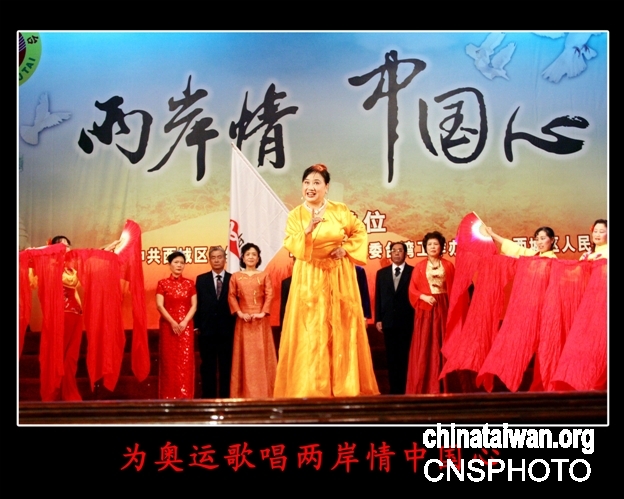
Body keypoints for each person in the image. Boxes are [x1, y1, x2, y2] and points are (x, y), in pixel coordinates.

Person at [274, 164, 379, 397]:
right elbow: (291, 243)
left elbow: (359, 232)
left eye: (316, 183)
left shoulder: (340, 210)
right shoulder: (296, 215)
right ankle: (310, 386)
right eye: (307, 183)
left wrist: (345, 249)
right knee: (311, 328)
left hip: (339, 274)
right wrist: (307, 231)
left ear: (326, 187)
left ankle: (345, 386)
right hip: (309, 275)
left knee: (341, 324)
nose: (310, 187)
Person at [405, 231, 455, 394]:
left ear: (441, 246)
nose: (433, 247)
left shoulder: (448, 265)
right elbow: (412, 289)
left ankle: (446, 385)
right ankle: (426, 386)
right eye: (430, 244)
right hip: (426, 310)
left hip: (444, 306)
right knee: (426, 343)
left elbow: (455, 289)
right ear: (425, 247)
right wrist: (424, 297)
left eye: (436, 244)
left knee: (445, 342)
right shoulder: (419, 267)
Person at [228, 243, 277, 398]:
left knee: (261, 356)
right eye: (248, 254)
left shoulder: (264, 275)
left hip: (260, 321)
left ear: (258, 258)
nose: (251, 257)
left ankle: (264, 393)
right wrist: (240, 313)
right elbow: (231, 296)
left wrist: (262, 313)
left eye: (254, 254)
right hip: (243, 321)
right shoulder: (236, 276)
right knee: (244, 357)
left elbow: (270, 295)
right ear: (242, 258)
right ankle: (242, 394)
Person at [195, 246, 236, 398]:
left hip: (228, 330)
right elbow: (197, 303)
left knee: (226, 366)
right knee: (207, 366)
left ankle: (226, 398)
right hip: (207, 331)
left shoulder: (233, 278)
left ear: (225, 259)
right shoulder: (201, 279)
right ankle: (208, 398)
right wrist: (197, 325)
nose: (217, 260)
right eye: (213, 257)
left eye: (220, 257)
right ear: (209, 260)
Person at [374, 241, 415, 394]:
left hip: (407, 321)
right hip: (388, 321)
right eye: (394, 250)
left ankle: (405, 389)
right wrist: (378, 318)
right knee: (391, 357)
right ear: (390, 253)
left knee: (405, 357)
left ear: (406, 254)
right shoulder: (382, 274)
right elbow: (378, 297)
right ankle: (394, 391)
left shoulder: (413, 272)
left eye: (400, 250)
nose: (397, 253)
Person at [156, 251, 197, 399]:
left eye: (182, 263)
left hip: (186, 327)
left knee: (185, 361)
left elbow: (194, 305)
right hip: (168, 327)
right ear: (170, 264)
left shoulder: (190, 284)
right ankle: (167, 396)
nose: (179, 265)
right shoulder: (162, 283)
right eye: (176, 262)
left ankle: (185, 395)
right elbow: (160, 306)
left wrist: (185, 321)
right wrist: (172, 322)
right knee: (169, 362)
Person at [485, 226, 557, 258]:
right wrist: (492, 234)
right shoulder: (535, 254)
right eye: (537, 239)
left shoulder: (553, 260)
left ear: (552, 240)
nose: (539, 242)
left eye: (543, 238)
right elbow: (517, 249)